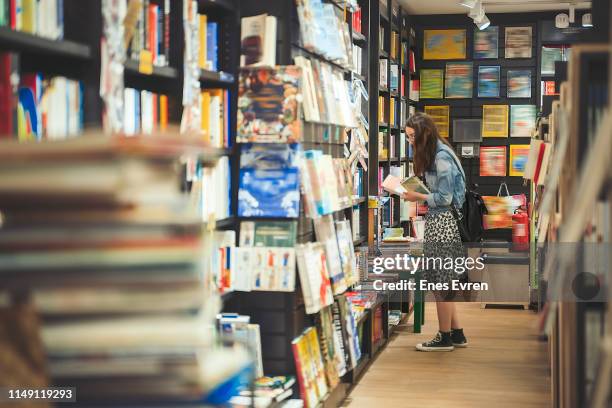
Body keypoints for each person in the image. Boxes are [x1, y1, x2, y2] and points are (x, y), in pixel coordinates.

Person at [402, 112, 468, 352]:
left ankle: (444, 337)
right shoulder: (438, 152)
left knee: (441, 283)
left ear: (424, 135)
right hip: (440, 222)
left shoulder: (441, 158)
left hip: (443, 224)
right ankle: (457, 333)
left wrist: (416, 195)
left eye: (412, 137)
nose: (410, 142)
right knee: (445, 281)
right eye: (407, 137)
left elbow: (444, 198)